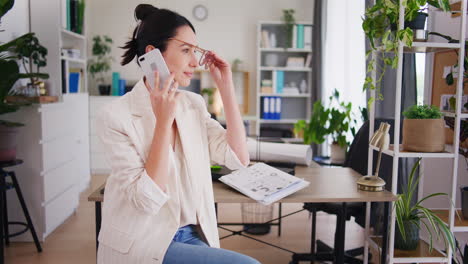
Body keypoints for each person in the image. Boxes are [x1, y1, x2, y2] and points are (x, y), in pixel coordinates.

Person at [96, 4, 260, 264]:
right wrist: (163, 121)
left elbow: (237, 159)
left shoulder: (192, 104)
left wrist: (226, 87)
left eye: (195, 51)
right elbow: (146, 200)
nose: (195, 62)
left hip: (191, 235)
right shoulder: (115, 116)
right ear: (153, 55)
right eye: (186, 50)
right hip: (143, 240)